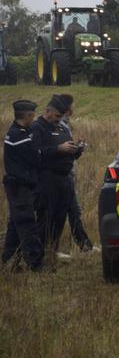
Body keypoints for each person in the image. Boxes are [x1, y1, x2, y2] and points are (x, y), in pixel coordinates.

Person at [2, 100, 51, 272]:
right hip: (19, 187)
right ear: (27, 116)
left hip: (20, 186)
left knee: (16, 225)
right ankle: (36, 264)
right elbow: (36, 158)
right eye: (32, 115)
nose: (34, 118)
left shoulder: (21, 131)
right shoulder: (18, 136)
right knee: (27, 223)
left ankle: (8, 260)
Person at [31, 95, 83, 253]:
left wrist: (77, 150)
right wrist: (58, 149)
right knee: (46, 217)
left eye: (61, 117)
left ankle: (53, 249)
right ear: (47, 111)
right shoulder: (36, 128)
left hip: (65, 179)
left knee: (60, 217)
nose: (59, 120)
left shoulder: (61, 127)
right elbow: (34, 153)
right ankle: (40, 252)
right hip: (46, 179)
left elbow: (69, 154)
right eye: (57, 116)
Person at [57, 94, 94, 253]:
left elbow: (67, 151)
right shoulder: (59, 126)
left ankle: (84, 245)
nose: (74, 108)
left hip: (67, 175)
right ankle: (52, 248)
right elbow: (60, 151)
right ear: (67, 108)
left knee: (73, 212)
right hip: (62, 177)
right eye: (72, 105)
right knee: (64, 213)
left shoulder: (64, 125)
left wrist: (77, 150)